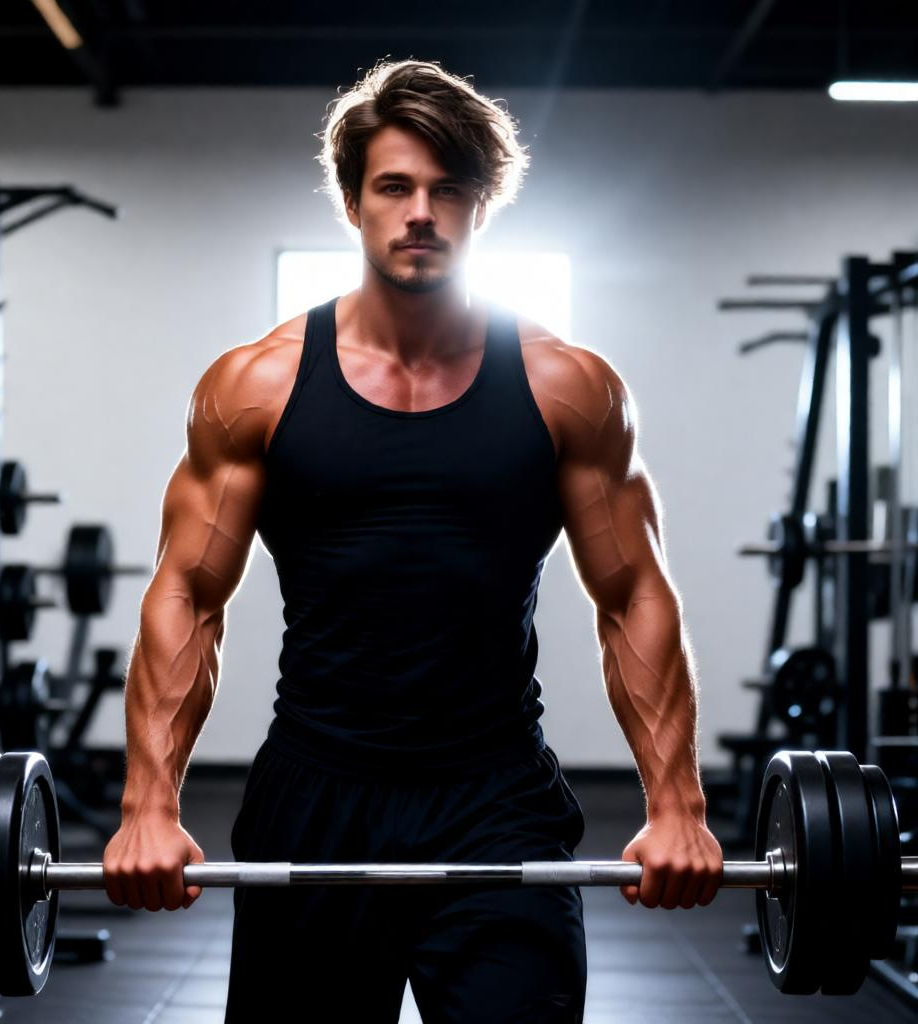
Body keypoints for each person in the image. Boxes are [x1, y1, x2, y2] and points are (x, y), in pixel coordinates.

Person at [103, 58, 724, 1023]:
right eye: (394, 186)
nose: (421, 212)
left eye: (449, 189)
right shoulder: (255, 387)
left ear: (484, 206)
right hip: (315, 794)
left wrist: (676, 802)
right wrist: (149, 803)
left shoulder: (570, 387)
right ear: (353, 204)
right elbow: (186, 590)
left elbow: (634, 592)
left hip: (497, 793)